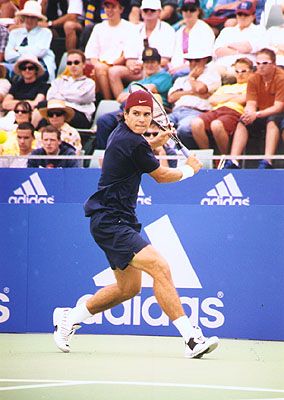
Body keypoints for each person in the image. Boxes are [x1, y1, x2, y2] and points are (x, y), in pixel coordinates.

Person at [52, 90, 219, 358]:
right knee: (160, 267)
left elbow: (137, 149)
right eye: (136, 114)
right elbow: (162, 176)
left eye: (146, 115)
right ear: (125, 114)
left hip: (117, 220)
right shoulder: (133, 143)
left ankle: (70, 317)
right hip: (111, 221)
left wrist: (155, 141)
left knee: (127, 289)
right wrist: (191, 169)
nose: (142, 119)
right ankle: (191, 338)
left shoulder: (126, 136)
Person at [95, 46, 173, 149]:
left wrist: (132, 93)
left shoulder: (164, 76)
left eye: (152, 62)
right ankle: (103, 154)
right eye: (146, 62)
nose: (149, 65)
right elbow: (120, 97)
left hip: (152, 112)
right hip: (129, 110)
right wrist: (137, 91)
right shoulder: (137, 82)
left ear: (158, 63)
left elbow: (151, 88)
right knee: (104, 120)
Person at [224, 48, 284, 169]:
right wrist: (249, 113)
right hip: (260, 113)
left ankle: (268, 160)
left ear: (273, 64)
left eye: (265, 63)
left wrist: (256, 114)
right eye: (258, 63)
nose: (261, 66)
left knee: (272, 121)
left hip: (279, 114)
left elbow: (278, 107)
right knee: (243, 121)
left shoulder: (281, 78)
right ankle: (233, 160)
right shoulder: (253, 79)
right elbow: (251, 102)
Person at [108, 0, 176, 99]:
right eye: (145, 10)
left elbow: (165, 60)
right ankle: (121, 103)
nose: (148, 13)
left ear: (159, 12)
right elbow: (129, 57)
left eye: (152, 10)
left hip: (157, 68)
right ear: (141, 12)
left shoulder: (168, 30)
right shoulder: (134, 29)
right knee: (113, 71)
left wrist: (144, 65)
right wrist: (132, 66)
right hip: (137, 69)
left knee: (151, 76)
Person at [191, 57, 253, 155]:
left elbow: (242, 99)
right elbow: (212, 100)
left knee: (216, 125)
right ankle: (208, 157)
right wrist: (234, 96)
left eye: (243, 71)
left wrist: (224, 98)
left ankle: (224, 158)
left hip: (234, 111)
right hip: (216, 110)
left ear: (251, 72)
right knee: (196, 123)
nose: (240, 74)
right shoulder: (226, 87)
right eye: (237, 71)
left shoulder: (251, 86)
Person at [167, 45, 221, 149]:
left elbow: (200, 89)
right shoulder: (181, 79)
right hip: (176, 111)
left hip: (197, 112)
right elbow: (171, 97)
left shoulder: (211, 75)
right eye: (190, 61)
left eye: (196, 60)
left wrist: (192, 79)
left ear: (205, 60)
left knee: (183, 129)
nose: (193, 64)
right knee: (159, 126)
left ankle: (195, 157)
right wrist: (192, 91)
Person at [85, 0, 138, 100]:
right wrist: (98, 65)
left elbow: (128, 55)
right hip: (101, 65)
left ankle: (114, 103)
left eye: (113, 7)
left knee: (107, 70)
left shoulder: (130, 28)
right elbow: (92, 54)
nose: (109, 10)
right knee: (97, 68)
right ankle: (105, 102)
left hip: (121, 66)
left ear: (121, 9)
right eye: (107, 7)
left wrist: (110, 65)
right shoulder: (98, 28)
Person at [213, 1, 267, 79]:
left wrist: (229, 45)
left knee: (232, 74)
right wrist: (239, 50)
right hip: (222, 66)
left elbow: (247, 48)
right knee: (213, 72)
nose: (242, 17)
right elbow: (217, 51)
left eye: (246, 14)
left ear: (253, 16)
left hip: (243, 69)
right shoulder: (227, 31)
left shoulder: (259, 30)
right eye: (240, 14)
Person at [4, 0, 56, 81]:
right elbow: (8, 56)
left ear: (38, 19)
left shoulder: (45, 32)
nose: (29, 20)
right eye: (27, 17)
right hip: (15, 65)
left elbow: (40, 52)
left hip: (39, 65)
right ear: (23, 17)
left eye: (32, 17)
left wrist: (17, 49)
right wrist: (30, 50)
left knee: (26, 70)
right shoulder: (14, 33)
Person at [46, 49, 96, 129]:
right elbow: (50, 97)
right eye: (69, 63)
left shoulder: (89, 83)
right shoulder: (59, 80)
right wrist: (72, 95)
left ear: (83, 65)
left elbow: (80, 98)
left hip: (80, 115)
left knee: (56, 113)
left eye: (76, 62)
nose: (73, 65)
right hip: (58, 110)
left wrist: (60, 94)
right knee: (43, 106)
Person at [169, 0, 215, 79]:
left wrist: (181, 67)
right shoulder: (179, 32)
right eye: (185, 10)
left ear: (198, 11)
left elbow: (204, 57)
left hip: (196, 68)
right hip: (176, 68)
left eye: (192, 10)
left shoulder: (205, 30)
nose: (188, 12)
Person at [2, 54, 49, 126]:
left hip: (31, 117)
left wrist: (15, 103)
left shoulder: (43, 86)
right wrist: (26, 103)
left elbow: (36, 103)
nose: (27, 70)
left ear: (36, 70)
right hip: (13, 115)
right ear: (20, 70)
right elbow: (5, 104)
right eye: (23, 68)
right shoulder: (16, 85)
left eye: (30, 68)